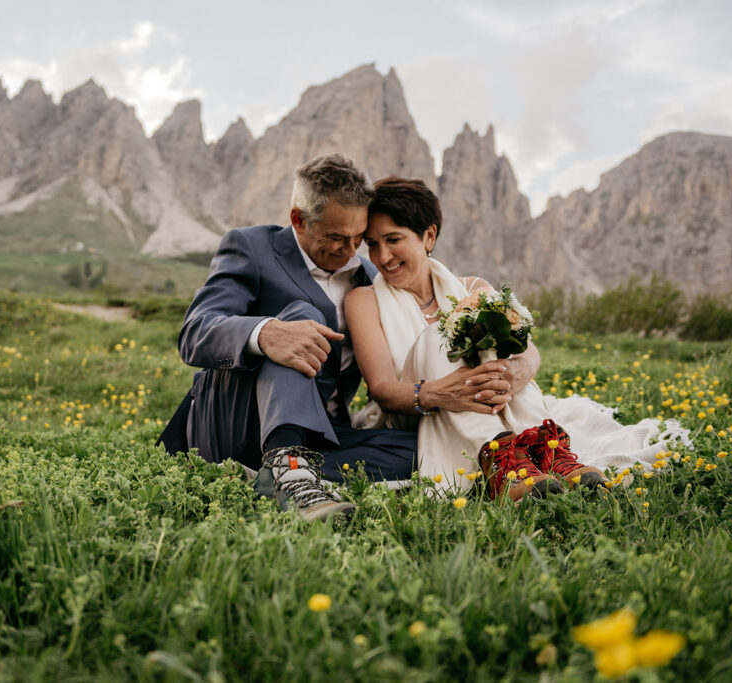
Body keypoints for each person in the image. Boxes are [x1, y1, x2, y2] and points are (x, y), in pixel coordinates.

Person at [156, 154, 529, 521]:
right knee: (302, 315)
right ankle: (286, 468)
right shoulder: (252, 248)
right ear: (298, 220)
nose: (350, 252)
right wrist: (266, 333)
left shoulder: (369, 276)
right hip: (234, 419)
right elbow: (195, 330)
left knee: (434, 450)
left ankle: (283, 475)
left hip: (325, 433)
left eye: (358, 239)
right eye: (336, 237)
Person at [345, 177, 690, 500]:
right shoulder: (364, 300)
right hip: (416, 410)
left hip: (486, 400)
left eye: (393, 240)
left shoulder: (472, 288)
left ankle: (549, 452)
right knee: (443, 331)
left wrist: (512, 376)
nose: (381, 258)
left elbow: (529, 351)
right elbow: (382, 389)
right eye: (372, 245)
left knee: (500, 342)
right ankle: (500, 462)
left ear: (429, 237)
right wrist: (446, 392)